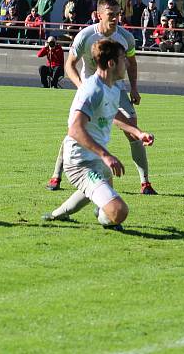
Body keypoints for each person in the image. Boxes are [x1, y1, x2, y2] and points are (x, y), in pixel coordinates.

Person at [45, 0, 158, 194]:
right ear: (99, 15)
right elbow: (69, 65)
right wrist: (82, 88)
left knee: (132, 128)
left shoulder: (126, 37)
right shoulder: (85, 36)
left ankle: (145, 183)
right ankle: (56, 175)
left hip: (117, 89)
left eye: (118, 15)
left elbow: (132, 63)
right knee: (77, 130)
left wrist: (134, 88)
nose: (116, 19)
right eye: (111, 15)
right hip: (91, 89)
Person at [42, 39, 155, 229]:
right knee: (119, 211)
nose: (126, 63)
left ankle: (57, 215)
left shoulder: (110, 86)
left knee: (95, 190)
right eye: (122, 59)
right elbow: (75, 129)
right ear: (111, 64)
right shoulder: (92, 89)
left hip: (96, 159)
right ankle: (105, 216)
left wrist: (137, 132)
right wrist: (106, 155)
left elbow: (111, 112)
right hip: (80, 163)